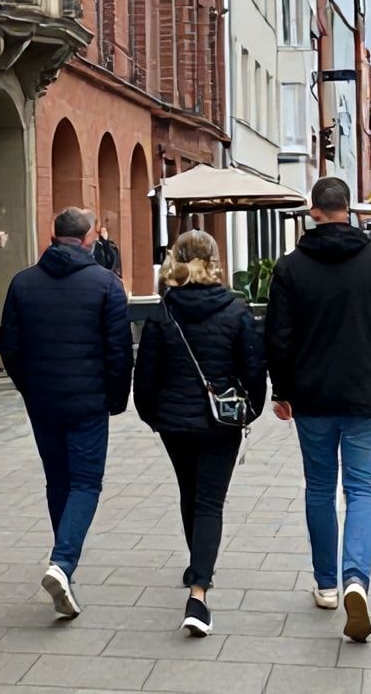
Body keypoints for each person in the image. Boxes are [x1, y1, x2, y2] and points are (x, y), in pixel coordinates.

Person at [265, 177, 371, 644]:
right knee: (362, 489)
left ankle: (327, 586)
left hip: (311, 398)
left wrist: (282, 390)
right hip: (365, 396)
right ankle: (357, 578)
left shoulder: (291, 267)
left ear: (314, 212)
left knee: (318, 487)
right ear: (349, 209)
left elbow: (277, 336)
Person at [0, 207, 133, 621]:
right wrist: (117, 397)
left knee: (58, 480)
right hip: (88, 401)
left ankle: (64, 567)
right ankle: (63, 561)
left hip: (43, 402)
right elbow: (119, 350)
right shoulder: (105, 284)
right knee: (87, 483)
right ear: (89, 238)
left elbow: (9, 347)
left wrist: (30, 388)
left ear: (53, 236)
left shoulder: (22, 283)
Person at [134, 230, 266, 638]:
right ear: (214, 261)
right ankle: (199, 594)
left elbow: (145, 376)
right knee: (210, 501)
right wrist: (250, 412)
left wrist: (153, 417)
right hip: (220, 423)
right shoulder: (236, 310)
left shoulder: (163, 312)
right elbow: (253, 372)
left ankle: (197, 564)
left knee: (190, 493)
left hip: (174, 423)